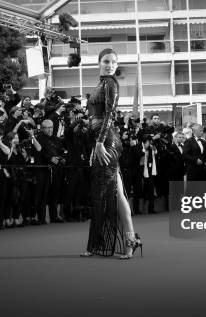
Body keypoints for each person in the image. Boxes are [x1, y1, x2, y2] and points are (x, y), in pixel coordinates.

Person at [81, 49, 142, 259]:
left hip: (107, 142)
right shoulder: (101, 84)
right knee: (117, 193)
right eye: (106, 61)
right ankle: (130, 240)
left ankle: (107, 242)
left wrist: (99, 144)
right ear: (99, 63)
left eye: (114, 62)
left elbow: (109, 114)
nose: (110, 65)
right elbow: (94, 120)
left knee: (110, 194)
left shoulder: (110, 83)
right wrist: (93, 146)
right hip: (101, 141)